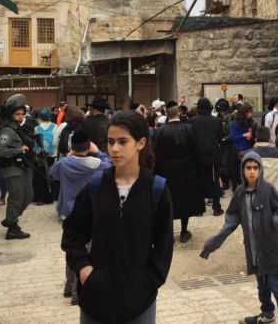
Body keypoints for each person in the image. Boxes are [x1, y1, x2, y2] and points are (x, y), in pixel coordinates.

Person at [62, 111, 174, 324]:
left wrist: (147, 281)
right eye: (110, 142)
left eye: (123, 142)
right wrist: (85, 271)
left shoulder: (157, 189)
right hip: (95, 301)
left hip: (139, 303)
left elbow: (164, 245)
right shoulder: (95, 187)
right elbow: (72, 234)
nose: (114, 149)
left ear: (140, 143)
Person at [200, 152, 278, 324]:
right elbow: (231, 221)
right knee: (262, 286)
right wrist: (214, 242)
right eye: (248, 168)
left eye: (255, 168)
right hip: (254, 251)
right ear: (243, 170)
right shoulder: (239, 193)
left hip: (272, 249)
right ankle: (267, 314)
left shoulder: (269, 190)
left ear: (260, 170)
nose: (252, 172)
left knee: (276, 285)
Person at [50, 132, 111, 305]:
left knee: (72, 249)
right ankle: (78, 293)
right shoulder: (98, 164)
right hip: (90, 213)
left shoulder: (63, 163)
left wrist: (68, 155)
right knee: (85, 252)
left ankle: (69, 287)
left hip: (68, 212)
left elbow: (52, 173)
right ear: (88, 146)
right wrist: (98, 151)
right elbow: (110, 165)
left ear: (72, 146)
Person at [153, 105, 204, 243]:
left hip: (165, 172)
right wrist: (198, 169)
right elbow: (196, 150)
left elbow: (155, 153)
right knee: (184, 200)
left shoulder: (160, 131)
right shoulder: (188, 129)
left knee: (168, 201)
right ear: (179, 113)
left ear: (167, 115)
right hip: (186, 170)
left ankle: (169, 234)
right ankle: (183, 231)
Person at [0, 101, 35, 240]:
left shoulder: (17, 128)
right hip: (12, 169)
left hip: (21, 168)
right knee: (16, 199)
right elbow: (0, 150)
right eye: (17, 114)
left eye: (22, 114)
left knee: (28, 196)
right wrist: (19, 149)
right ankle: (12, 228)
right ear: (10, 115)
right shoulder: (7, 130)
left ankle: (11, 219)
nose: (20, 117)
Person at [190, 98, 224, 216]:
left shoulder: (192, 121)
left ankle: (199, 209)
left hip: (197, 156)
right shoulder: (217, 121)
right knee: (215, 181)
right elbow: (220, 138)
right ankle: (216, 207)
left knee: (198, 180)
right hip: (213, 154)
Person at [229, 104, 257, 191]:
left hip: (248, 150)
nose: (251, 114)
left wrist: (251, 138)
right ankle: (235, 190)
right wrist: (243, 135)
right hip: (237, 151)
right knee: (236, 172)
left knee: (246, 171)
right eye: (249, 112)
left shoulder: (251, 123)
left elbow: (252, 137)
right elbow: (232, 137)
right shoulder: (235, 123)